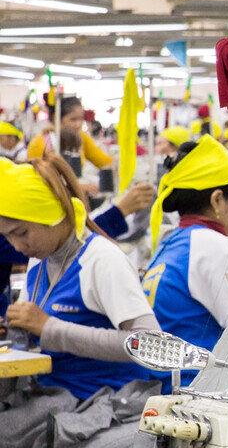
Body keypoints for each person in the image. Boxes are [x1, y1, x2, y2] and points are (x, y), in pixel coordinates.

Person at [0, 156, 160, 398]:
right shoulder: (39, 260)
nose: (17, 246)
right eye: (7, 237)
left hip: (103, 404)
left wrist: (49, 328)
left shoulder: (102, 260)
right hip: (53, 396)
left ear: (51, 215)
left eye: (21, 233)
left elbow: (151, 345)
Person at [142, 137, 228, 363]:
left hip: (164, 381)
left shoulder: (174, 240)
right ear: (218, 199)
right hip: (195, 385)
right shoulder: (215, 247)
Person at [28, 96, 112, 172]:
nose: (78, 124)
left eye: (81, 119)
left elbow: (103, 161)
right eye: (73, 119)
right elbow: (37, 175)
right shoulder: (40, 143)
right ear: (56, 119)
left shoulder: (81, 137)